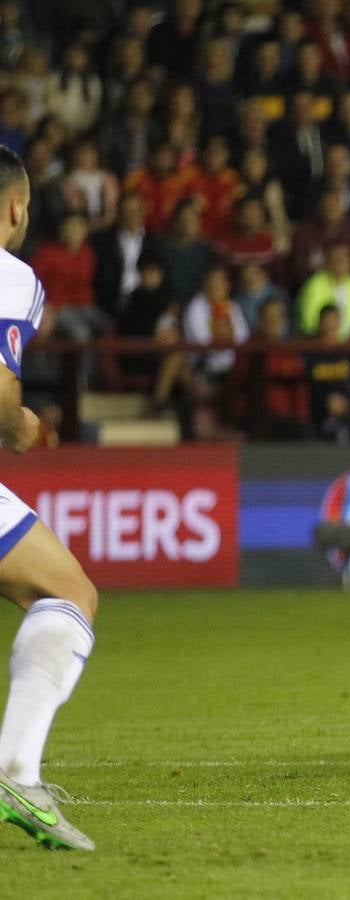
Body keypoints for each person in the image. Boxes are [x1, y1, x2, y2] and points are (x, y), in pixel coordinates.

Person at [0, 146, 99, 851]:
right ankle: (17, 771)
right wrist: (23, 423)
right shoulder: (11, 277)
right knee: (67, 590)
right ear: (13, 207)